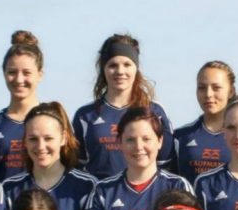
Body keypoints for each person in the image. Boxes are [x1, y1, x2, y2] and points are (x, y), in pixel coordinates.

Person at [1, 102, 97, 210]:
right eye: (33, 139)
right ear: (24, 141)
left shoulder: (87, 186)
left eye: (48, 138)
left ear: (63, 138)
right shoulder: (9, 188)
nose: (41, 146)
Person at [73, 33, 175, 179]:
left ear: (136, 68)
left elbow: (166, 166)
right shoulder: (85, 115)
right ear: (103, 69)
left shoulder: (155, 112)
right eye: (113, 65)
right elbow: (77, 168)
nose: (120, 71)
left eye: (127, 64)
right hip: (98, 193)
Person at [0, 30, 44, 182]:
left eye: (27, 72)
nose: (19, 80)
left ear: (40, 74)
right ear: (4, 73)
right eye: (12, 72)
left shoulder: (56, 122)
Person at [173, 61, 236, 179]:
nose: (208, 94)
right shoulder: (180, 136)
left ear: (231, 91)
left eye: (216, 88)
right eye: (202, 88)